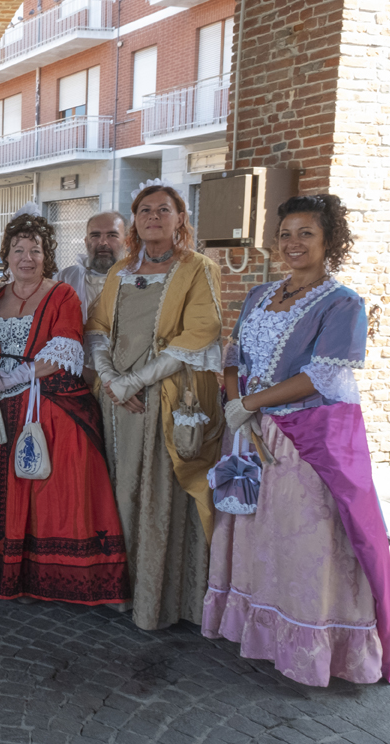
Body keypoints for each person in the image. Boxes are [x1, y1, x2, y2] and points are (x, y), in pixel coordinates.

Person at [203, 195, 390, 686]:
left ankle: (312, 646)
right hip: (250, 434)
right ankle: (259, 633)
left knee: (305, 542)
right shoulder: (259, 295)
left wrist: (250, 404)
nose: (293, 243)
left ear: (330, 240)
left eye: (306, 233)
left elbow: (322, 376)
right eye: (286, 234)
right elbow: (233, 354)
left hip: (304, 440)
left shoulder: (342, 303)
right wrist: (236, 404)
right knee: (259, 536)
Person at [0, 208, 129, 603]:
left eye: (35, 250)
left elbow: (64, 348)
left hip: (43, 392)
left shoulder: (61, 294)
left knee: (56, 460)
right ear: (6, 255)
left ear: (46, 255)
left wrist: (16, 377)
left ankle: (44, 571)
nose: (26, 258)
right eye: (18, 250)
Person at [86, 179, 224, 630]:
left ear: (180, 218)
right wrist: (110, 379)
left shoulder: (197, 268)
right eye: (145, 209)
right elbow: (98, 325)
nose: (153, 217)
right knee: (119, 485)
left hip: (164, 396)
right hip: (118, 403)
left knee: (159, 491)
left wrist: (138, 382)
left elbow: (200, 330)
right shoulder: (121, 270)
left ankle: (159, 599)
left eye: (163, 210)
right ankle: (116, 588)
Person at [57, 212, 125, 322]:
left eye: (112, 235)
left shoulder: (138, 279)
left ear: (127, 242)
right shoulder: (65, 279)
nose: (103, 242)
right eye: (95, 236)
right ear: (86, 242)